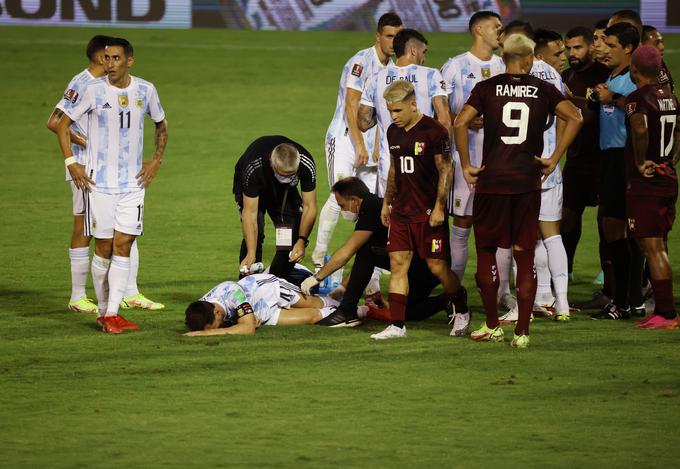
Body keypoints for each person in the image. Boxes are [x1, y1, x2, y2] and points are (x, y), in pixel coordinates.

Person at [453, 33, 582, 348]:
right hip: (526, 183)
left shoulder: (486, 88)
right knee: (524, 254)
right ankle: (522, 331)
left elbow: (460, 123)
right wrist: (553, 158)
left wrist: (468, 164)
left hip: (493, 181)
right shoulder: (544, 89)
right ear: (528, 59)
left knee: (486, 252)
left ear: (504, 58)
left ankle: (493, 325)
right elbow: (575, 116)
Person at [55, 37, 169, 333]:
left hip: (132, 185)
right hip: (99, 184)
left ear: (129, 60)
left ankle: (112, 313)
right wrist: (72, 162)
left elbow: (161, 123)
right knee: (104, 246)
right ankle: (102, 310)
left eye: (115, 58)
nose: (109, 64)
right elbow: (60, 124)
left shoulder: (146, 90)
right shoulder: (91, 90)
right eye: (106, 58)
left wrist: (156, 160)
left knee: (125, 243)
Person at [301, 177, 468, 332]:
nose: (342, 209)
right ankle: (448, 299)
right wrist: (343, 288)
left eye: (342, 205)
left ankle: (347, 311)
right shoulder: (374, 206)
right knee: (405, 312)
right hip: (421, 265)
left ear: (354, 200)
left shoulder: (370, 207)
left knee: (366, 250)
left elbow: (348, 251)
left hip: (421, 265)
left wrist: (317, 277)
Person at [312, 13, 403, 281]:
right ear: (378, 36)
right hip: (344, 138)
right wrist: (360, 143)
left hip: (373, 146)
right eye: (389, 36)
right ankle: (319, 257)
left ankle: (371, 262)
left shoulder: (394, 68)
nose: (393, 41)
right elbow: (352, 104)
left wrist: (378, 144)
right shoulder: (361, 62)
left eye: (398, 36)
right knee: (338, 196)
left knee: (369, 205)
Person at [373, 80, 461, 340]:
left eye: (398, 110)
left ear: (413, 104)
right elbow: (393, 169)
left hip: (427, 213)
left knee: (437, 267)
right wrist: (387, 201)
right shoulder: (393, 132)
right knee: (398, 264)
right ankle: (397, 325)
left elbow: (446, 169)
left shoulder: (434, 132)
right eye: (390, 111)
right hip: (401, 211)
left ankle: (460, 305)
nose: (394, 116)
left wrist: (439, 207)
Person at [440, 11, 513, 319]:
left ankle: (500, 295)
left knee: (499, 229)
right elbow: (441, 115)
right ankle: (454, 298)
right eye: (496, 27)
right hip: (463, 161)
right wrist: (464, 121)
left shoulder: (503, 66)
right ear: (479, 30)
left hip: (498, 162)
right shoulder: (455, 67)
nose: (501, 31)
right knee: (461, 228)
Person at [590, 22, 645, 320]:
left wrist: (615, 99)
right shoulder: (612, 76)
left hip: (622, 159)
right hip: (610, 157)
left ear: (628, 48)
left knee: (617, 231)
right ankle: (632, 301)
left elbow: (643, 110)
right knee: (623, 233)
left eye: (611, 46)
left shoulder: (633, 79)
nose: (604, 50)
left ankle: (622, 302)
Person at [358, 28, 451, 198]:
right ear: (413, 50)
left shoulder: (376, 78)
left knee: (390, 219)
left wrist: (382, 117)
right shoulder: (431, 75)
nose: (424, 58)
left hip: (390, 165)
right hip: (425, 163)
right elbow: (444, 120)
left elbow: (363, 123)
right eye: (424, 52)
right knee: (426, 218)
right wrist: (445, 159)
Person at [625, 45, 679, 330]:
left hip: (648, 183)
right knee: (660, 244)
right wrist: (671, 159)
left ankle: (667, 314)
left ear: (634, 69)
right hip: (667, 177)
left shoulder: (638, 99)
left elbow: (640, 129)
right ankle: (664, 308)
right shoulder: (669, 96)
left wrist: (640, 161)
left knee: (653, 247)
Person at [560, 27, 611, 287]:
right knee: (568, 217)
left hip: (602, 159)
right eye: (568, 48)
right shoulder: (566, 76)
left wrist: (572, 101)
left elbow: (592, 114)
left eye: (577, 48)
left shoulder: (603, 75)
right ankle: (565, 269)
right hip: (576, 159)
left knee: (606, 221)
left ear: (591, 47)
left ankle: (608, 274)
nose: (572, 53)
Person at [232, 136, 317, 283]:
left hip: (284, 192)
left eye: (290, 175)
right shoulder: (253, 168)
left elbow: (310, 206)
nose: (286, 178)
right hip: (253, 185)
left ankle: (277, 283)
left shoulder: (305, 164)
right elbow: (250, 214)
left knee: (290, 237)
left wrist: (302, 240)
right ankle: (247, 285)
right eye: (282, 174)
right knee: (256, 233)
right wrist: (251, 252)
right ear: (272, 164)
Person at [184, 274, 339, 336]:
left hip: (271, 291)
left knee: (315, 304)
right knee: (312, 316)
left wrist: (206, 334)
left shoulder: (232, 293)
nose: (217, 329)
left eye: (215, 326)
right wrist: (248, 319)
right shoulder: (201, 307)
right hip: (264, 314)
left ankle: (344, 302)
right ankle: (361, 311)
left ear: (217, 312)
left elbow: (248, 328)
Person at [641, 25, 675, 91]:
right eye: (656, 43)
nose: (662, 47)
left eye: (662, 42)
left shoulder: (660, 64)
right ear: (641, 45)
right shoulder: (638, 71)